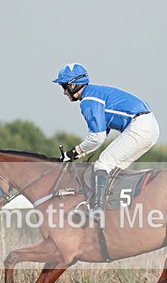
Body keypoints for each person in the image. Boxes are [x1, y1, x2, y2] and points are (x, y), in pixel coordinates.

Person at [53, 63, 160, 214]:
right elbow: (101, 136)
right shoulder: (96, 93)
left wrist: (73, 153)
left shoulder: (88, 101)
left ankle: (98, 209)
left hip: (140, 126)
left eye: (64, 86)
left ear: (73, 85)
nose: (64, 92)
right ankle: (114, 207)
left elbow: (97, 138)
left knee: (103, 164)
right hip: (149, 126)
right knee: (114, 168)